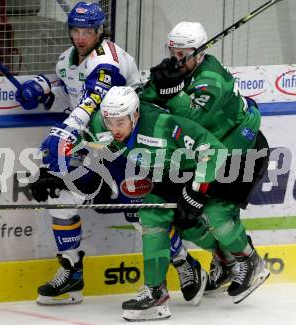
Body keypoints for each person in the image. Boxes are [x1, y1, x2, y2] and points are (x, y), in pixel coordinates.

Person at [19, 2, 205, 306]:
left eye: (87, 31)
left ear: (99, 31)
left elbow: (91, 99)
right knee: (61, 196)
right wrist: (45, 87)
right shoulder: (68, 58)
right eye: (75, 30)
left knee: (139, 213)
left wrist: (64, 133)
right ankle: (72, 272)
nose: (80, 37)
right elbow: (71, 89)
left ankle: (185, 263)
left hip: (131, 147)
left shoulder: (108, 63)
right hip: (97, 148)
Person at [84, 86, 267, 321]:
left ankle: (248, 259)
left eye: (121, 122)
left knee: (213, 213)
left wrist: (196, 191)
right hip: (172, 169)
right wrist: (70, 176)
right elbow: (84, 147)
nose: (115, 129)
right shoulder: (102, 124)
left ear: (136, 115)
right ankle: (155, 293)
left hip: (225, 161)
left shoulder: (162, 124)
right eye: (110, 122)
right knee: (151, 216)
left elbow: (213, 150)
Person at [140, 22, 270, 296]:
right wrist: (153, 86)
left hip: (240, 152)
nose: (176, 59)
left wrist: (170, 91)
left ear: (198, 53)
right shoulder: (180, 68)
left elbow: (195, 116)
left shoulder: (212, 79)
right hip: (206, 155)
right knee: (184, 215)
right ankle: (224, 261)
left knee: (216, 213)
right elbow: (146, 99)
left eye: (182, 53)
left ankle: (250, 261)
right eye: (172, 52)